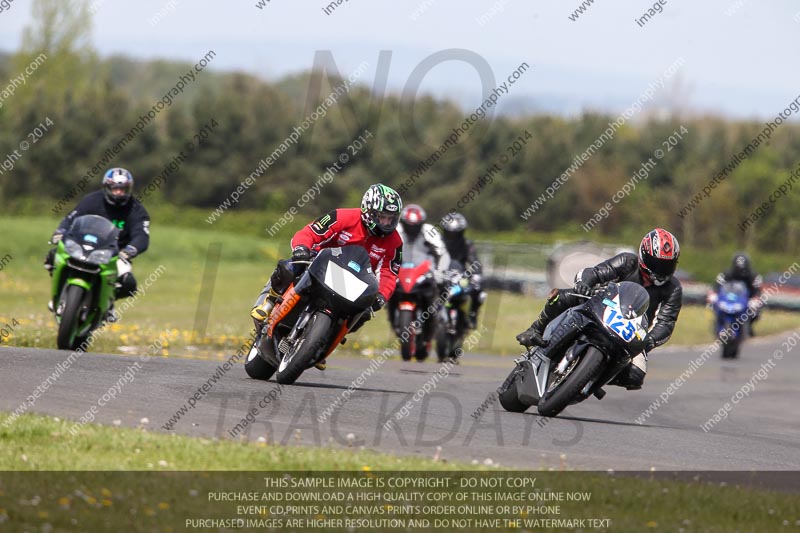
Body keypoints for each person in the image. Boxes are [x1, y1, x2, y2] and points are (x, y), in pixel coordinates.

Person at [250, 184, 404, 368]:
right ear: (368, 210)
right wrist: (302, 248)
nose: (386, 223)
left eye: (391, 219)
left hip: (354, 281)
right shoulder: (342, 216)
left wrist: (381, 296)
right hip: (320, 264)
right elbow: (310, 232)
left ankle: (324, 341)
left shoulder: (395, 242)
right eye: (382, 217)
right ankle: (268, 302)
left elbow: (390, 272)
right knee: (291, 266)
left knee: (364, 312)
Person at [516, 228, 682, 390]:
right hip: (602, 304)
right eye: (656, 264)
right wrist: (584, 285)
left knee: (635, 376)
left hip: (633, 329)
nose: (660, 271)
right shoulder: (627, 261)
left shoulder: (673, 287)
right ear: (643, 256)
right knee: (561, 297)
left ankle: (594, 375)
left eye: (666, 266)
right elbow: (595, 272)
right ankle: (535, 329)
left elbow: (666, 321)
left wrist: (650, 340)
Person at [45, 168, 150, 317]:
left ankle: (108, 303)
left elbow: (142, 235)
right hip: (82, 246)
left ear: (129, 189)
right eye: (115, 188)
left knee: (128, 283)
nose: (119, 193)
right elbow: (71, 218)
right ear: (107, 187)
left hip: (114, 254)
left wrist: (131, 249)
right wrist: (60, 231)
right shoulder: (91, 200)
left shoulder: (137, 210)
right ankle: (59, 295)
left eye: (123, 189)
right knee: (53, 257)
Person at [387, 203, 450, 358]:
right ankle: (394, 319)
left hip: (424, 274)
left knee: (434, 301)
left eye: (415, 226)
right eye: (409, 226)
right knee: (385, 293)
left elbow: (443, 253)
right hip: (401, 273)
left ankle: (430, 330)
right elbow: (385, 248)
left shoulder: (429, 231)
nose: (412, 229)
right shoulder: (396, 230)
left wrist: (440, 272)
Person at [440, 212, 485, 329]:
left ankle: (472, 315)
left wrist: (476, 274)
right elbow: (429, 256)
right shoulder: (438, 242)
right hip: (440, 273)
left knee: (478, 289)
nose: (452, 237)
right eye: (449, 234)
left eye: (455, 234)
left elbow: (474, 261)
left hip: (460, 275)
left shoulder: (467, 244)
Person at [712, 252, 762, 335]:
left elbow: (757, 290)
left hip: (747, 299)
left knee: (755, 312)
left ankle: (748, 328)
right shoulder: (726, 274)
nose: (740, 273)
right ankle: (719, 326)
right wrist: (714, 295)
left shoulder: (753, 276)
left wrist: (755, 299)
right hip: (730, 298)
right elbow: (717, 286)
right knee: (716, 307)